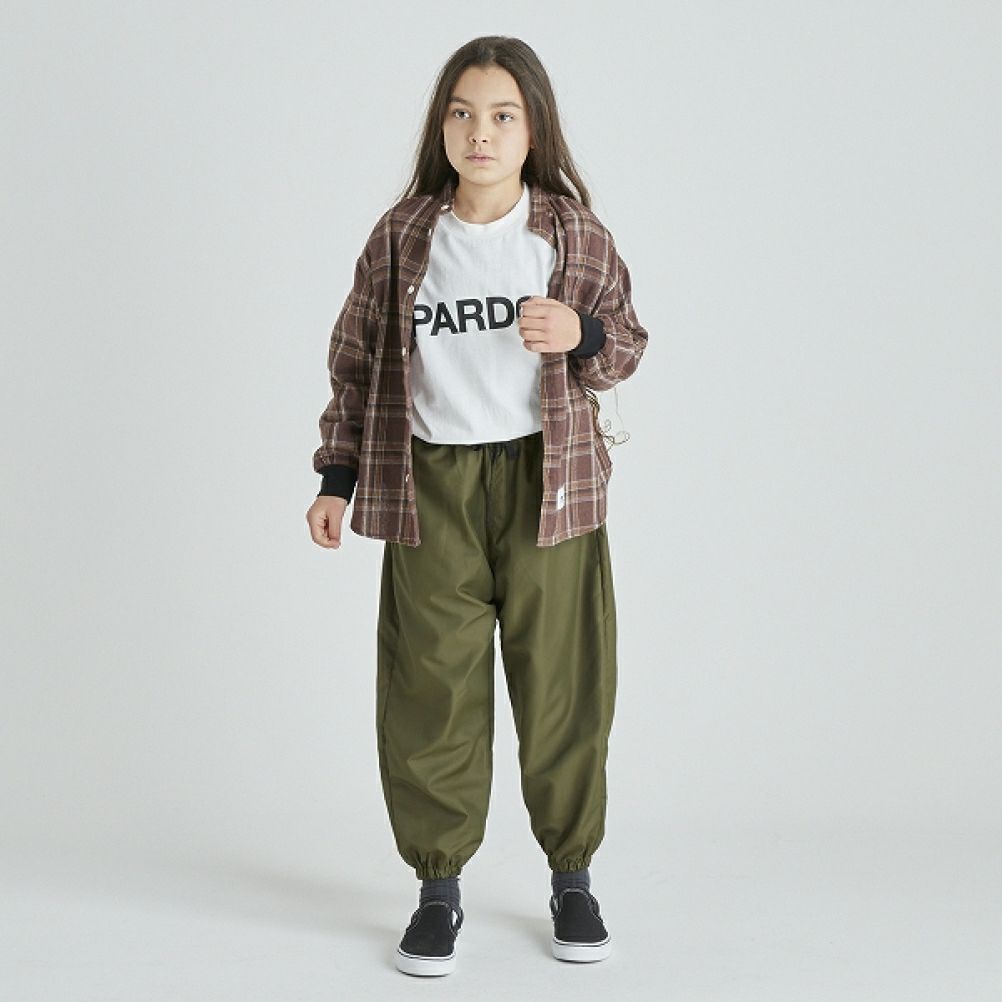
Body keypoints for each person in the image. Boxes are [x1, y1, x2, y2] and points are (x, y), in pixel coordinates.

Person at [305, 35, 648, 977]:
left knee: (564, 687)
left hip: (550, 487)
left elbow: (625, 343)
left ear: (534, 130)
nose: (480, 133)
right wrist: (336, 478)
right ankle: (438, 890)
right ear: (442, 127)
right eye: (462, 113)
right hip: (431, 491)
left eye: (502, 115)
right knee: (431, 689)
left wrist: (580, 333)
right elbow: (354, 362)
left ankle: (572, 880)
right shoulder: (403, 237)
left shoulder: (569, 234)